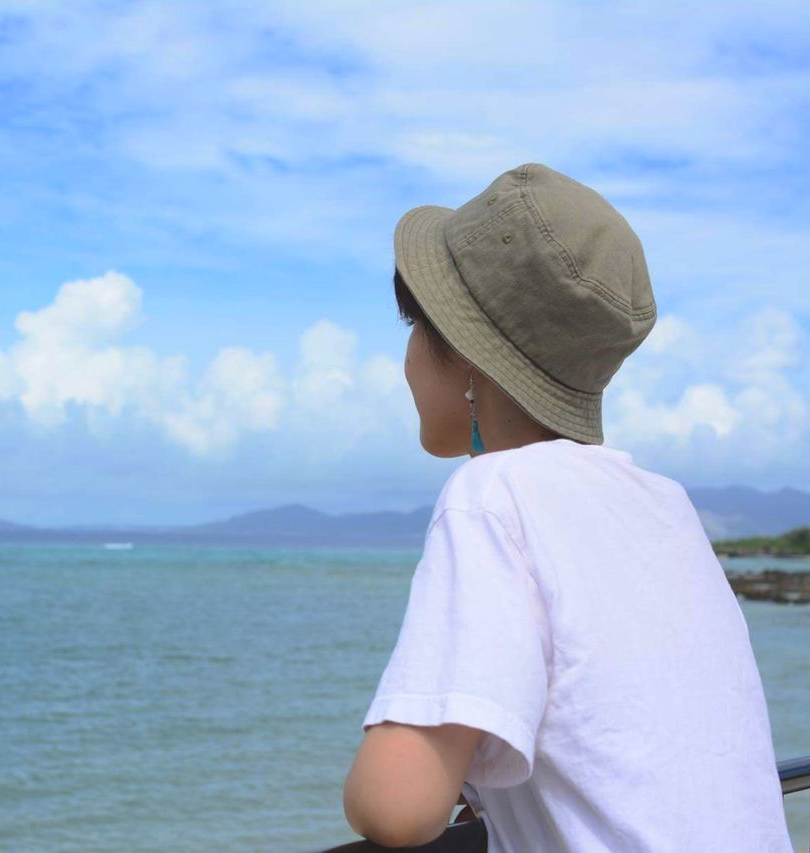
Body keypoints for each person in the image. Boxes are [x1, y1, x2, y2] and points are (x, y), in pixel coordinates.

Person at [329, 164, 794, 851]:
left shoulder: (492, 495)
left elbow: (396, 806)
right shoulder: (666, 507)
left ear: (464, 355)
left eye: (413, 322)